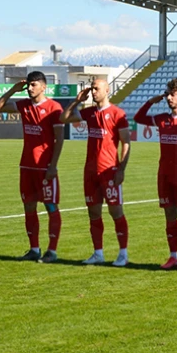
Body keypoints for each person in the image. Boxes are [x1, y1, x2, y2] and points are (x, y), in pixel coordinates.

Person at [0, 71, 64, 263]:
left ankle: (52, 251)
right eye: (28, 85)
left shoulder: (54, 108)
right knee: (29, 206)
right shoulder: (24, 105)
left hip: (45, 167)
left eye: (34, 85)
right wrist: (13, 90)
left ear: (44, 87)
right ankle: (34, 249)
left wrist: (53, 166)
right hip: (26, 166)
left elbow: (59, 139)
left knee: (51, 206)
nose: (29, 88)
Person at [59, 78, 131, 266]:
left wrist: (121, 169)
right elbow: (63, 118)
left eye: (96, 88)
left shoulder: (117, 113)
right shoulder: (89, 113)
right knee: (93, 212)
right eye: (92, 89)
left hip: (109, 171)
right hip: (90, 172)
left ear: (107, 90)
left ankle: (123, 253)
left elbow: (126, 143)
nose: (93, 92)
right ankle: (98, 253)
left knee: (116, 211)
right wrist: (76, 101)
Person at [134, 78, 177, 270]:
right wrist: (151, 101)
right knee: (169, 215)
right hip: (164, 174)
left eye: (173, 94)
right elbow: (139, 118)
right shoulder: (162, 119)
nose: (169, 98)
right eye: (168, 94)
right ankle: (173, 257)